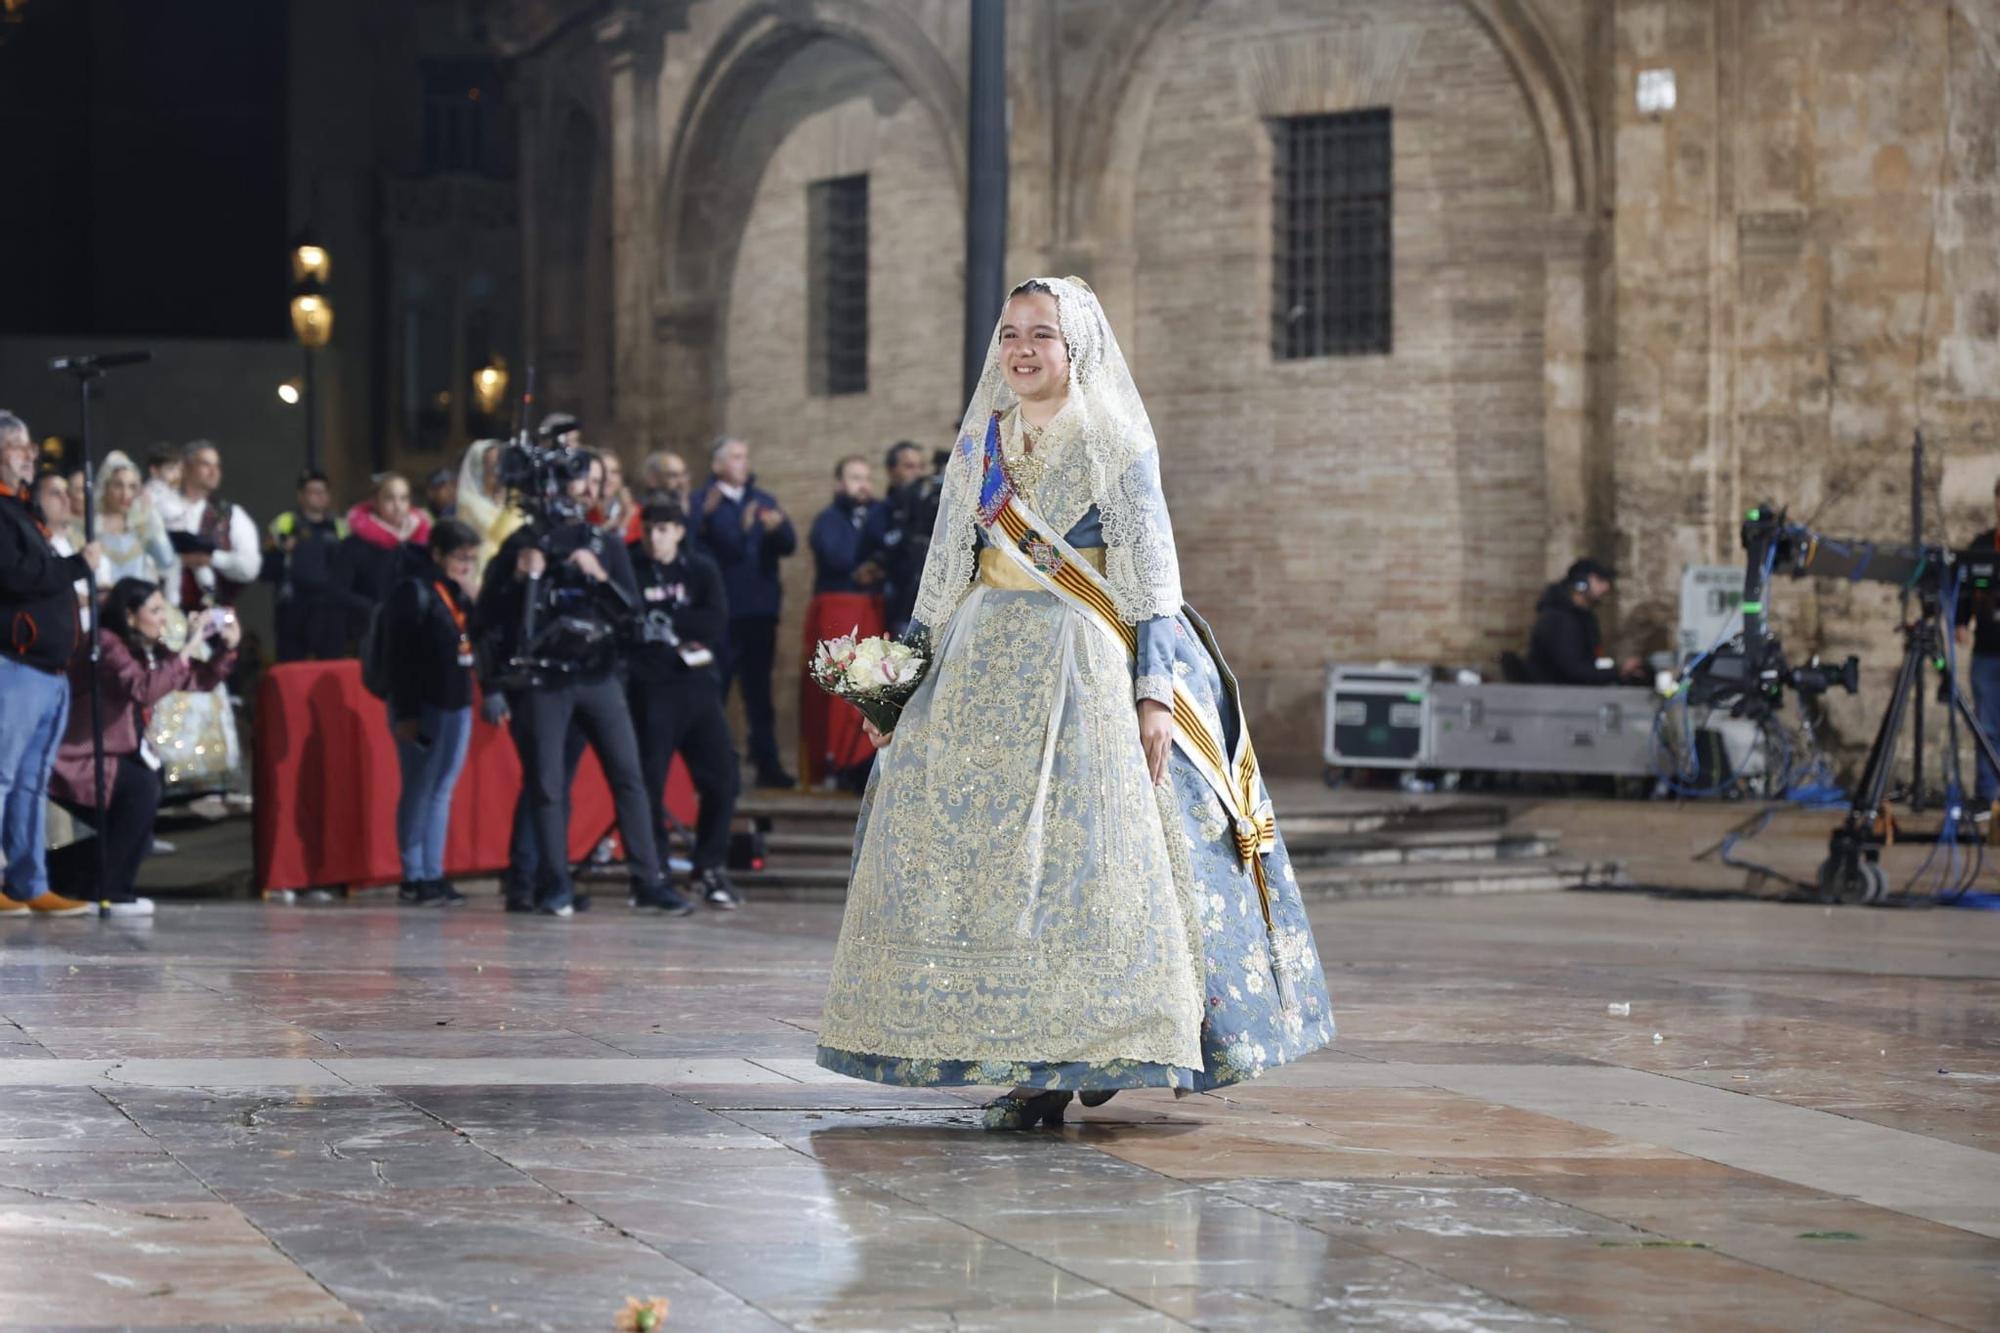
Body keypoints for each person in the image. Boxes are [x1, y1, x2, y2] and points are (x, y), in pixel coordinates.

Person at [814, 278, 1335, 1129]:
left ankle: (1084, 1050)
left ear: (1076, 347)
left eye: (1042, 335)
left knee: (1085, 868)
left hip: (1084, 664)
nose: (1022, 349)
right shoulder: (982, 442)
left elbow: (1150, 575)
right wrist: (898, 676)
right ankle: (1030, 1046)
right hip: (982, 666)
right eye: (1011, 333)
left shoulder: (1112, 437)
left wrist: (1155, 695)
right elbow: (945, 566)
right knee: (980, 867)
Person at [474, 458, 681, 918]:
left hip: (600, 677)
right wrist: (521, 577)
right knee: (547, 786)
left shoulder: (606, 543)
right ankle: (554, 885)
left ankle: (649, 881)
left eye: (592, 481)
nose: (585, 490)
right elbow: (487, 617)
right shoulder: (521, 544)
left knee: (629, 777)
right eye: (577, 480)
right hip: (544, 681)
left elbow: (632, 615)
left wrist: (600, 576)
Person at [48, 578, 239, 916]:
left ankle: (55, 874)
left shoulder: (143, 646)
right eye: (154, 610)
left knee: (137, 826)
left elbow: (198, 679)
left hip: (118, 754)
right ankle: (108, 890)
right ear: (130, 615)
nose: (163, 618)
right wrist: (189, 645)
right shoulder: (105, 643)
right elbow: (143, 688)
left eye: (163, 609)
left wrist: (224, 648)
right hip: (80, 757)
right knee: (138, 796)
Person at [0, 410, 102, 918]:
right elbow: (16, 575)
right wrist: (75, 566)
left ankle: (27, 881)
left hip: (48, 672)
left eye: (30, 446)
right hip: (14, 666)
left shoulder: (23, 513)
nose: (29, 455)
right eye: (18, 446)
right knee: (1, 775)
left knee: (30, 781)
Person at [628, 501, 740, 910]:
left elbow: (714, 620)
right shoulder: (631, 566)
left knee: (723, 779)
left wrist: (667, 619)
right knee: (649, 782)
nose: (654, 538)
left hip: (697, 685)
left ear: (678, 531)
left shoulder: (700, 569)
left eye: (662, 529)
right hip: (650, 687)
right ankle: (651, 871)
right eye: (648, 530)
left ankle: (708, 868)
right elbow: (628, 619)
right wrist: (671, 619)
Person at [382, 520, 482, 907]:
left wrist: (473, 599)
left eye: (472, 559)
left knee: (442, 789)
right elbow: (400, 656)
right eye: (460, 557)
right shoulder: (414, 590)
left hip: (457, 702)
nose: (465, 565)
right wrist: (406, 712)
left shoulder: (457, 592)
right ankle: (413, 874)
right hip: (423, 705)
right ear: (437, 554)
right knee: (419, 787)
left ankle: (434, 872)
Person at [689, 437, 797, 789]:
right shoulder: (703, 503)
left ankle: (767, 763)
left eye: (745, 456)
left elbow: (789, 545)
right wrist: (740, 527)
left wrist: (776, 528)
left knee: (759, 693)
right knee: (715, 690)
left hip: (759, 610)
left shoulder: (762, 500)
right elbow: (703, 550)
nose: (743, 463)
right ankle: (712, 768)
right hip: (721, 612)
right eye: (735, 457)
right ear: (717, 465)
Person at [801, 457, 888, 789]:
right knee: (840, 687)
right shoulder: (828, 520)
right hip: (839, 608)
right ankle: (837, 760)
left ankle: (865, 760)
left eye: (867, 478)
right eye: (855, 478)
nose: (863, 485)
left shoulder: (880, 514)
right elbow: (836, 557)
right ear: (839, 483)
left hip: (872, 608)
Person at [162, 440, 261, 610]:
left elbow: (250, 566)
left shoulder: (231, 515)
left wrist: (210, 559)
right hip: (163, 614)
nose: (214, 472)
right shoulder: (162, 507)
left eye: (217, 466)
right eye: (206, 464)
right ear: (186, 467)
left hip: (214, 617)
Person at [263, 469, 350, 662]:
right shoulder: (284, 524)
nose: (319, 496)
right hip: (294, 607)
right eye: (313, 491)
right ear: (300, 495)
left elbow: (351, 568)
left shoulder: (340, 526)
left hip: (330, 608)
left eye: (323, 491)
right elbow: (266, 570)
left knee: (331, 666)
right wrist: (282, 551)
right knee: (292, 668)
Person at [338, 472, 432, 636]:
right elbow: (340, 591)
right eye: (389, 499)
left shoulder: (421, 542)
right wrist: (377, 610)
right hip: (371, 630)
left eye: (404, 499)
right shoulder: (354, 544)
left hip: (416, 629)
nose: (398, 506)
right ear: (375, 501)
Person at [1526, 558, 1644, 685]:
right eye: (1600, 580)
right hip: (1561, 695)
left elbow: (1589, 663)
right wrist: (1618, 672)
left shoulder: (1582, 617)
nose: (1606, 587)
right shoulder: (1560, 619)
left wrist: (1617, 670)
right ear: (1581, 583)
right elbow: (1574, 670)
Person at [1956, 477, 2000, 809]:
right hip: (1986, 650)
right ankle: (1987, 795)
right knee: (1985, 724)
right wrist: (1960, 621)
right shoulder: (1982, 545)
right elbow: (1967, 587)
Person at [879, 442, 944, 639]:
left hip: (933, 604)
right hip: (900, 605)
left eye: (921, 466)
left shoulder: (931, 505)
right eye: (909, 466)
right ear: (892, 470)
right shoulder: (882, 511)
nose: (917, 473)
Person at [93, 451, 178, 587]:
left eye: (132, 487)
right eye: (118, 485)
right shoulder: (92, 527)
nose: (125, 494)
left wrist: (151, 514)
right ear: (105, 487)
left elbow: (166, 560)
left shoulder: (141, 526)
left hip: (141, 603)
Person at [455, 439, 525, 577]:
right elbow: (499, 535)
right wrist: (513, 501)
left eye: (502, 465)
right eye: (493, 467)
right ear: (479, 470)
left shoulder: (512, 497)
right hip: (483, 574)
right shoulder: (469, 504)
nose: (499, 473)